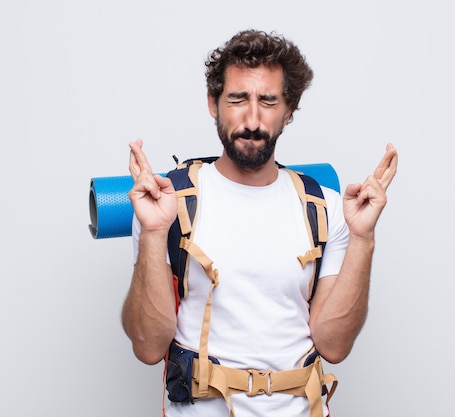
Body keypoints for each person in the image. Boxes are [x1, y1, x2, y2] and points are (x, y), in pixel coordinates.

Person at [121, 29, 398, 417]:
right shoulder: (167, 204)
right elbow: (148, 346)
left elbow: (334, 345)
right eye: (237, 99)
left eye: (268, 101)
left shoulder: (325, 207)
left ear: (288, 111)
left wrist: (363, 239)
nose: (252, 119)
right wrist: (152, 232)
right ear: (213, 104)